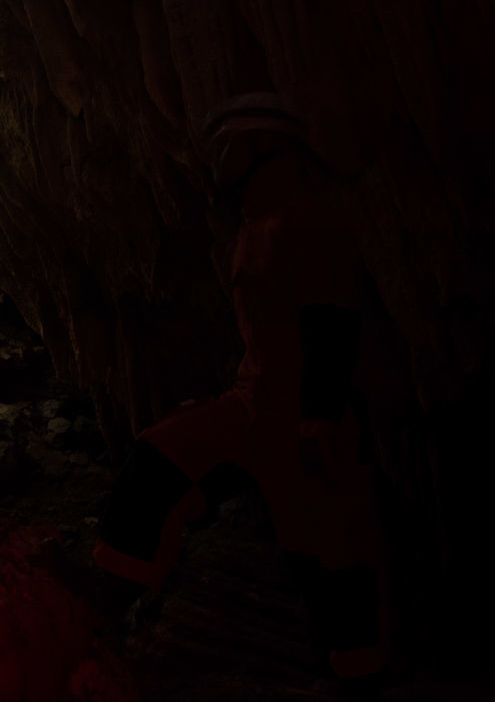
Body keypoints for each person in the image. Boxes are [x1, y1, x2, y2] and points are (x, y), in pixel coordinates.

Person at [92, 95, 388, 680]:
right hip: (256, 408)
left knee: (328, 559)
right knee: (157, 462)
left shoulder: (303, 219)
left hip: (299, 418)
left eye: (227, 150)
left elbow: (331, 317)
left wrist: (320, 418)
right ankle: (113, 615)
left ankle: (356, 675)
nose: (217, 165)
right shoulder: (261, 223)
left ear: (260, 149)